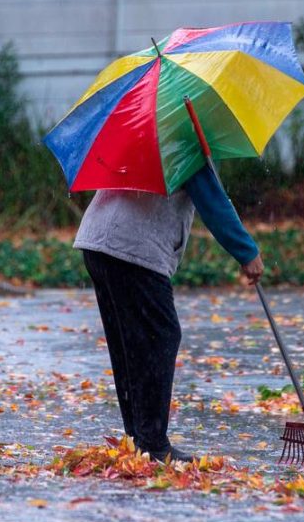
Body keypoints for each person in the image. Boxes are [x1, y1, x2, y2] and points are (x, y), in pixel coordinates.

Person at [74, 163, 264, 463]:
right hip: (132, 246)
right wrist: (246, 252)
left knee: (131, 340)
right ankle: (152, 442)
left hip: (98, 241)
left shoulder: (152, 132)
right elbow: (213, 201)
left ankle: (139, 436)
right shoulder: (185, 139)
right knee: (160, 335)